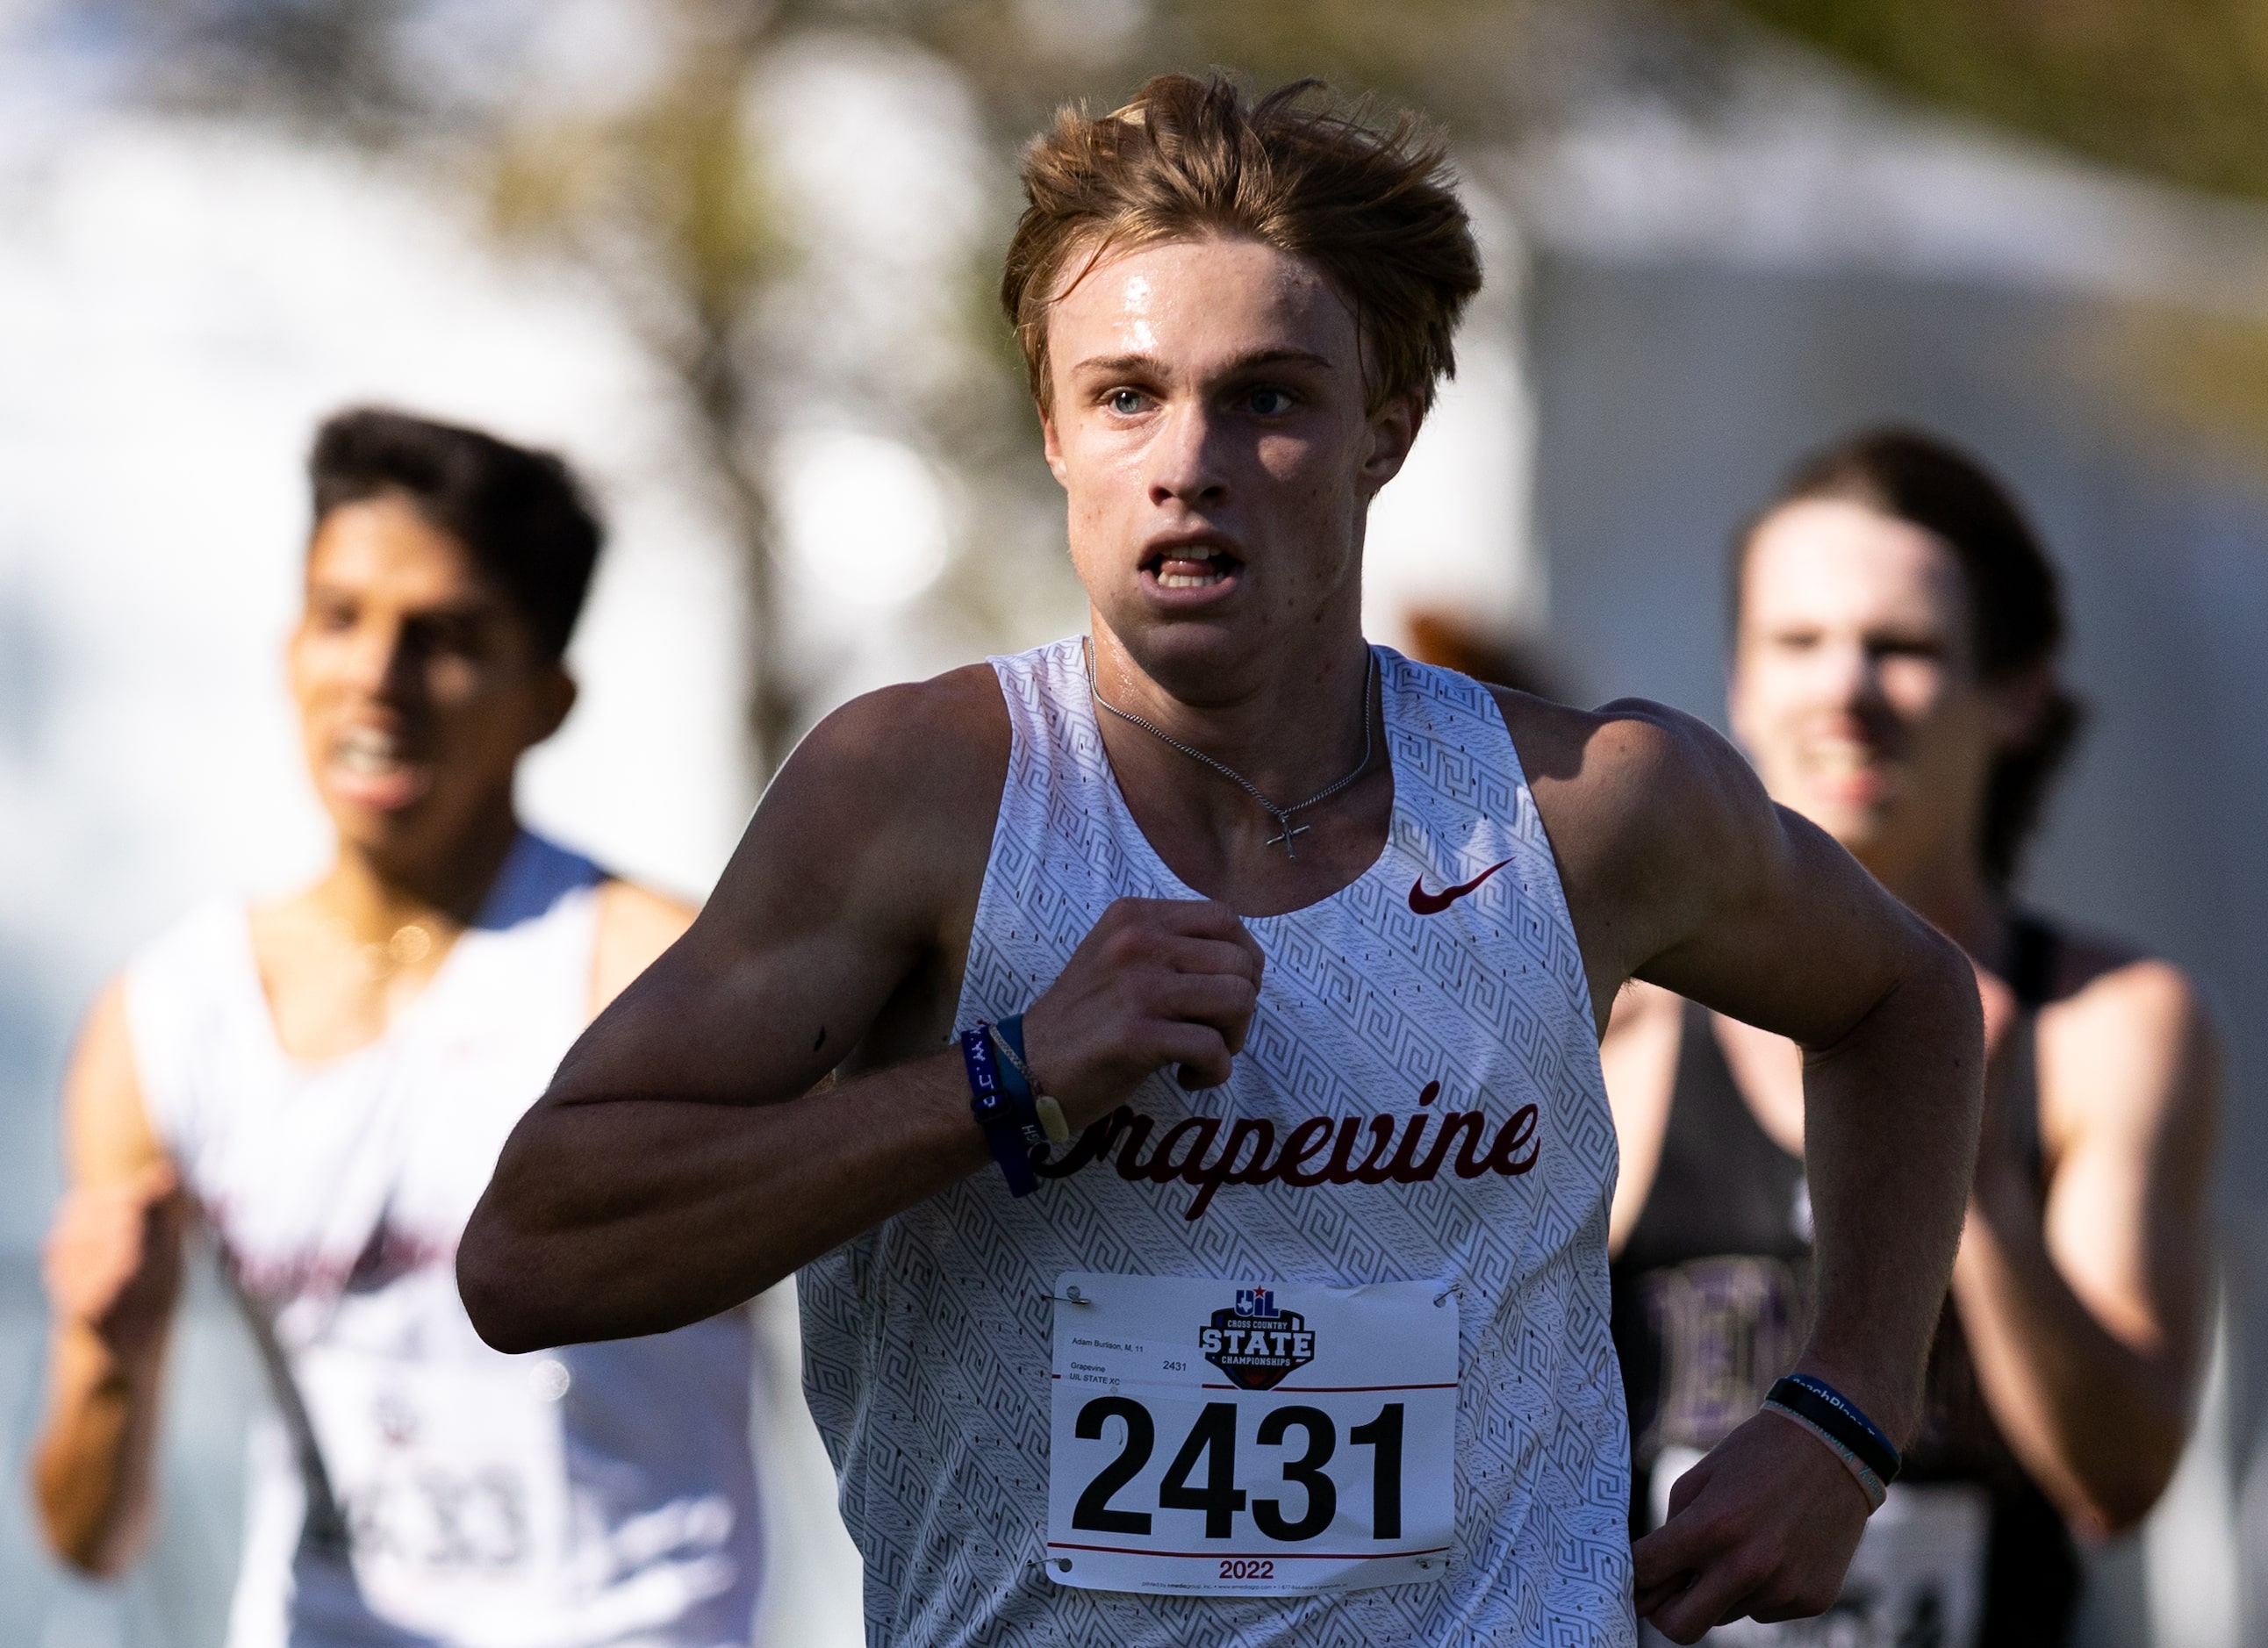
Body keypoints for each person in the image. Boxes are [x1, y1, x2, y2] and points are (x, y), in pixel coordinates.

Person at [457, 76, 1985, 1646]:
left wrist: (1846, 1413)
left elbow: (1908, 999)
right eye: (1127, 395)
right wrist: (1008, 1082)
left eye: (1266, 397)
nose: (1190, 461)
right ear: (1051, 428)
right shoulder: (920, 795)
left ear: (1385, 428)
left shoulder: (1591, 805)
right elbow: (531, 1252)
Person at [32, 409, 765, 1647]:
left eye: (448, 637)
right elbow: (89, 1536)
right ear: (288, 652)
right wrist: (109, 1350)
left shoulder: (665, 973)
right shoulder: (167, 1018)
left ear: (547, 701)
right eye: (341, 617)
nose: (375, 675)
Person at [1600, 428, 2221, 1645]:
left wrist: (1968, 1170)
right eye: (1799, 642)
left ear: (2019, 689)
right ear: (1738, 677)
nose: (1845, 689)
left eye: (1903, 648)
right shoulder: (1631, 1017)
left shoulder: (2109, 1027)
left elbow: (2121, 1478)